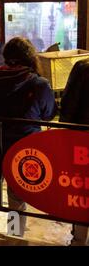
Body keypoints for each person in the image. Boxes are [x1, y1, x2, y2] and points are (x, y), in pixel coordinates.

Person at [0, 37, 57, 236]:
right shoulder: (39, 84)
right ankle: (13, 239)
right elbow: (48, 113)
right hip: (24, 154)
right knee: (17, 203)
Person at [59, 59, 89, 246]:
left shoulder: (83, 67)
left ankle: (79, 239)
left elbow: (68, 106)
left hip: (82, 142)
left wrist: (64, 139)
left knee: (82, 192)